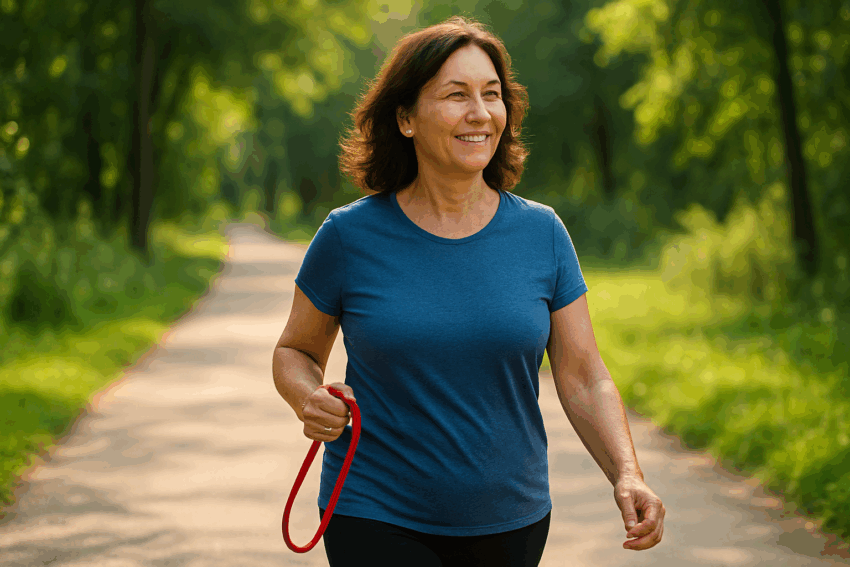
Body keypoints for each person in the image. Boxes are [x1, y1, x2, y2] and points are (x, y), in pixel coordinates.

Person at [272, 16, 665, 566]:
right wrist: (306, 397)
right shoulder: (348, 235)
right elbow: (295, 351)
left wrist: (628, 472)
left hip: (511, 517)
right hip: (373, 511)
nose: (480, 113)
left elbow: (582, 374)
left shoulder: (542, 233)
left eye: (492, 95)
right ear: (406, 118)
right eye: (456, 95)